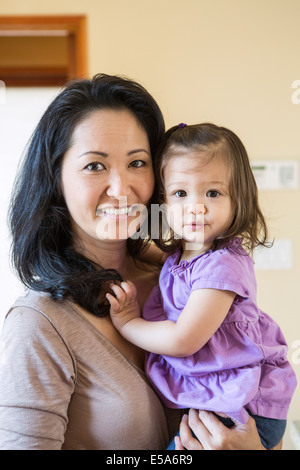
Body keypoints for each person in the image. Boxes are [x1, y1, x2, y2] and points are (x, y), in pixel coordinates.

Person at [0, 74, 279, 451]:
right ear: (55, 179)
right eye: (94, 166)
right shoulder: (38, 324)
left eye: (138, 162)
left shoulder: (185, 278)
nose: (121, 188)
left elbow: (259, 404)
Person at [107, 123, 297, 450]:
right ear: (163, 203)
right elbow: (151, 253)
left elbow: (183, 340)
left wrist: (128, 322)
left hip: (244, 405)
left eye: (213, 193)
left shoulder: (222, 266)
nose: (196, 207)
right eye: (181, 193)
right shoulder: (182, 257)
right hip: (224, 396)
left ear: (239, 199)